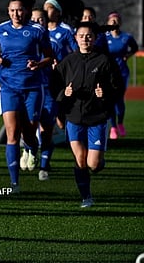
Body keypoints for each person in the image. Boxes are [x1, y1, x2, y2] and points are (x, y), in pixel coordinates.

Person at [51, 21, 124, 207]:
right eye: (81, 35)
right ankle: (86, 197)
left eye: (89, 35)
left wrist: (104, 94)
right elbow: (54, 86)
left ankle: (100, 163)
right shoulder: (68, 61)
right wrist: (63, 95)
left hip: (97, 118)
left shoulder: (104, 61)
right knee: (80, 159)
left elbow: (118, 87)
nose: (85, 39)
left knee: (93, 164)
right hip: (73, 117)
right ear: (75, 38)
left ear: (95, 38)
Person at [0, 0, 53, 193]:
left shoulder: (37, 30)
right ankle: (14, 182)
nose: (16, 13)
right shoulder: (1, 29)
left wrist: (38, 64)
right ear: (8, 11)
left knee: (29, 133)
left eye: (20, 9)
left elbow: (50, 56)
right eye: (13, 10)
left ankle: (31, 148)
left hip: (32, 87)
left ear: (27, 11)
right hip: (8, 87)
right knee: (12, 134)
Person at [30, 0, 78, 181]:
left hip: (54, 84)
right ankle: (33, 152)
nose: (46, 12)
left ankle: (44, 163)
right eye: (45, 9)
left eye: (50, 9)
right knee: (32, 125)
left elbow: (75, 53)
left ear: (57, 12)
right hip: (32, 86)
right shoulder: (29, 34)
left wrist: (61, 66)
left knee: (51, 124)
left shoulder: (65, 31)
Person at [104, 11, 139, 139]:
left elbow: (134, 48)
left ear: (120, 22)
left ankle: (120, 124)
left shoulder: (126, 37)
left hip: (122, 72)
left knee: (119, 99)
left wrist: (127, 56)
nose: (114, 22)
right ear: (108, 23)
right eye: (112, 20)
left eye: (116, 20)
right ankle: (113, 127)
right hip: (109, 74)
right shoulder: (104, 37)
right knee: (111, 100)